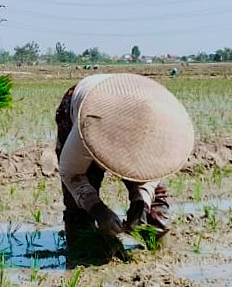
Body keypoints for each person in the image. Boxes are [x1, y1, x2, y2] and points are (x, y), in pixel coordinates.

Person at [55, 74, 195, 257]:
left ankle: (159, 247)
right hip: (84, 105)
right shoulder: (89, 123)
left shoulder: (155, 127)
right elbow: (71, 173)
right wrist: (98, 210)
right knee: (79, 206)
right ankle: (81, 250)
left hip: (129, 104)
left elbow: (152, 171)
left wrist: (141, 202)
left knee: (155, 202)